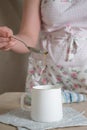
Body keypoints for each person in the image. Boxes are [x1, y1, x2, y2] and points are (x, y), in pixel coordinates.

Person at [0, 0, 87, 103]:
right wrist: (11, 41)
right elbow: (29, 38)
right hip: (47, 75)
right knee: (43, 113)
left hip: (84, 76)